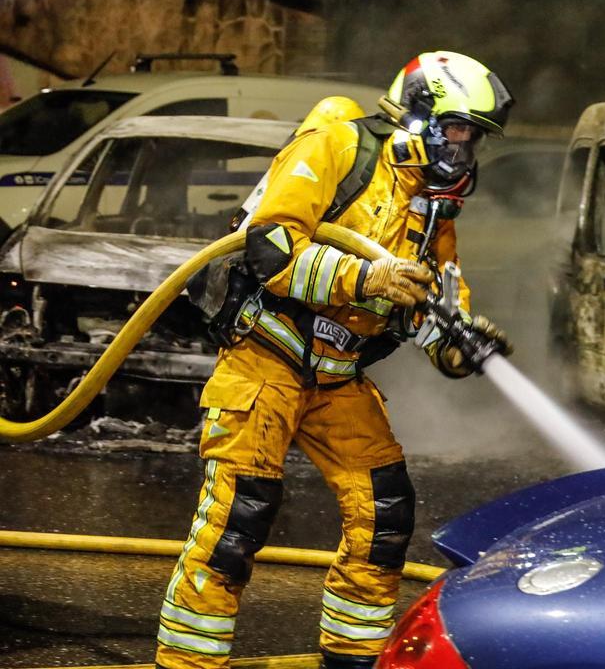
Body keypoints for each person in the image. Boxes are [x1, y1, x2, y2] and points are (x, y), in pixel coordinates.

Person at [155, 51, 514, 669]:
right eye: (458, 129)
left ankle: (354, 657)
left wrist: (457, 343)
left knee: (384, 512)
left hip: (338, 374)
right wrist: (366, 276)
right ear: (419, 114)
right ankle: (188, 662)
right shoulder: (339, 146)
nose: (465, 147)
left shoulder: (434, 206)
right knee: (238, 519)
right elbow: (270, 250)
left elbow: (429, 304)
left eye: (474, 136)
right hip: (266, 358)